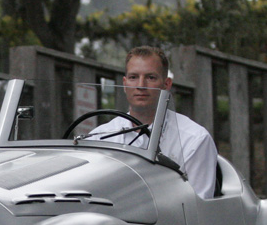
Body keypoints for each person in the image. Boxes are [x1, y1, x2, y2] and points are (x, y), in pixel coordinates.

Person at [90, 46, 219, 199]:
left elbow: (197, 208)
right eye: (133, 77)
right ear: (124, 84)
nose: (141, 85)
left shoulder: (194, 140)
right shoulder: (98, 138)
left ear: (166, 85)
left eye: (150, 77)